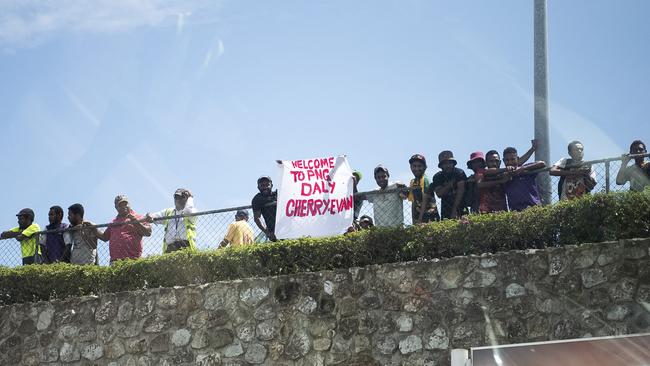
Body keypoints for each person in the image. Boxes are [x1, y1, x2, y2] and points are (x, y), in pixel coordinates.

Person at [100, 195, 152, 263]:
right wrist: (93, 227)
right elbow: (105, 237)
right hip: (115, 261)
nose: (123, 206)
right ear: (116, 207)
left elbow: (148, 232)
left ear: (129, 204)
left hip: (133, 259)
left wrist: (136, 223)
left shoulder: (138, 217)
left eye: (125, 204)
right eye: (120, 205)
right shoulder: (114, 222)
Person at [146, 188, 197, 253]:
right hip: (170, 248)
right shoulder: (169, 211)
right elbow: (153, 216)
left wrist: (190, 198)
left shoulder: (193, 211)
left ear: (186, 198)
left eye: (181, 197)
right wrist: (149, 215)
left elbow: (188, 212)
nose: (177, 199)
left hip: (186, 246)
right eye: (176, 197)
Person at [426, 151, 467, 219]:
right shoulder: (438, 176)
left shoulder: (459, 173)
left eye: (449, 163)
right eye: (445, 163)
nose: (447, 165)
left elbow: (461, 191)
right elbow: (439, 193)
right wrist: (450, 184)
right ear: (441, 166)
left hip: (462, 208)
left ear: (453, 163)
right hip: (446, 210)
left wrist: (455, 210)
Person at [503, 147, 547, 211]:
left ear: (517, 159)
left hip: (534, 208)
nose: (510, 162)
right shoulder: (504, 174)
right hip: (516, 212)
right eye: (507, 160)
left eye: (512, 159)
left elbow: (542, 163)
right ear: (503, 160)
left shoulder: (525, 169)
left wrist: (522, 169)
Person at [405, 154, 439, 224]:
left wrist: (420, 219)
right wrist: (414, 220)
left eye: (419, 166)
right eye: (414, 166)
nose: (416, 168)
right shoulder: (412, 182)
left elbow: (425, 200)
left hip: (430, 215)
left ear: (425, 167)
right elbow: (413, 202)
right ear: (410, 167)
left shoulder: (425, 179)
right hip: (418, 216)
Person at [252, 176, 278, 242]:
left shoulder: (279, 193)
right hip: (273, 232)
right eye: (262, 185)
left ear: (271, 185)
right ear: (258, 187)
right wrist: (267, 233)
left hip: (287, 228)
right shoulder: (257, 199)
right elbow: (257, 218)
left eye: (267, 185)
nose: (265, 187)